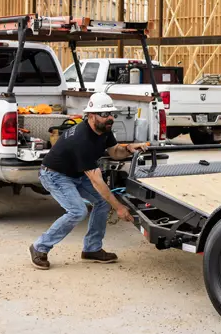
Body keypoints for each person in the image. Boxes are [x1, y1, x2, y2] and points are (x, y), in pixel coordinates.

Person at [29, 92, 147, 270]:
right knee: (77, 211)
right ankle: (39, 247)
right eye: (104, 114)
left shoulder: (104, 130)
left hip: (75, 174)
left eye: (111, 114)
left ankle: (92, 249)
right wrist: (120, 208)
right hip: (54, 175)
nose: (110, 118)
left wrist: (129, 148)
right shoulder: (81, 139)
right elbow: (97, 182)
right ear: (91, 116)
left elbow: (115, 152)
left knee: (101, 203)